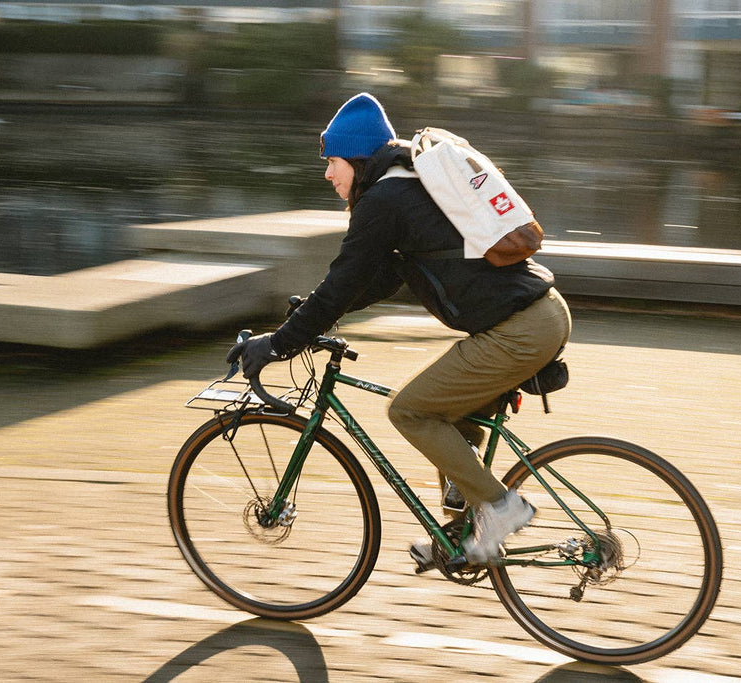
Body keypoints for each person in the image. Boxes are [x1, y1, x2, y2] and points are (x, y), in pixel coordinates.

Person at [233, 92, 571, 568]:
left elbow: (343, 280)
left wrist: (279, 343)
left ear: (356, 159)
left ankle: (502, 508)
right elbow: (380, 278)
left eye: (332, 162)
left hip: (519, 331)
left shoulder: (383, 200)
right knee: (450, 421)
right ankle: (463, 537)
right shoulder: (409, 182)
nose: (327, 174)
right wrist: (311, 315)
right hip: (538, 315)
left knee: (410, 411)